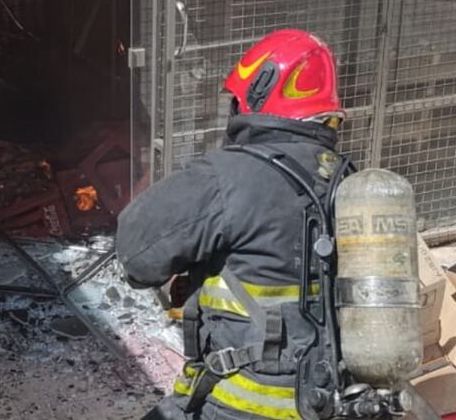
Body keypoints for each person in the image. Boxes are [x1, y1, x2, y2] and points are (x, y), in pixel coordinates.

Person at [117, 29, 347, 420]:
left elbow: (136, 255)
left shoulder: (228, 176)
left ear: (254, 98)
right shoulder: (350, 181)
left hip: (240, 406)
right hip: (333, 401)